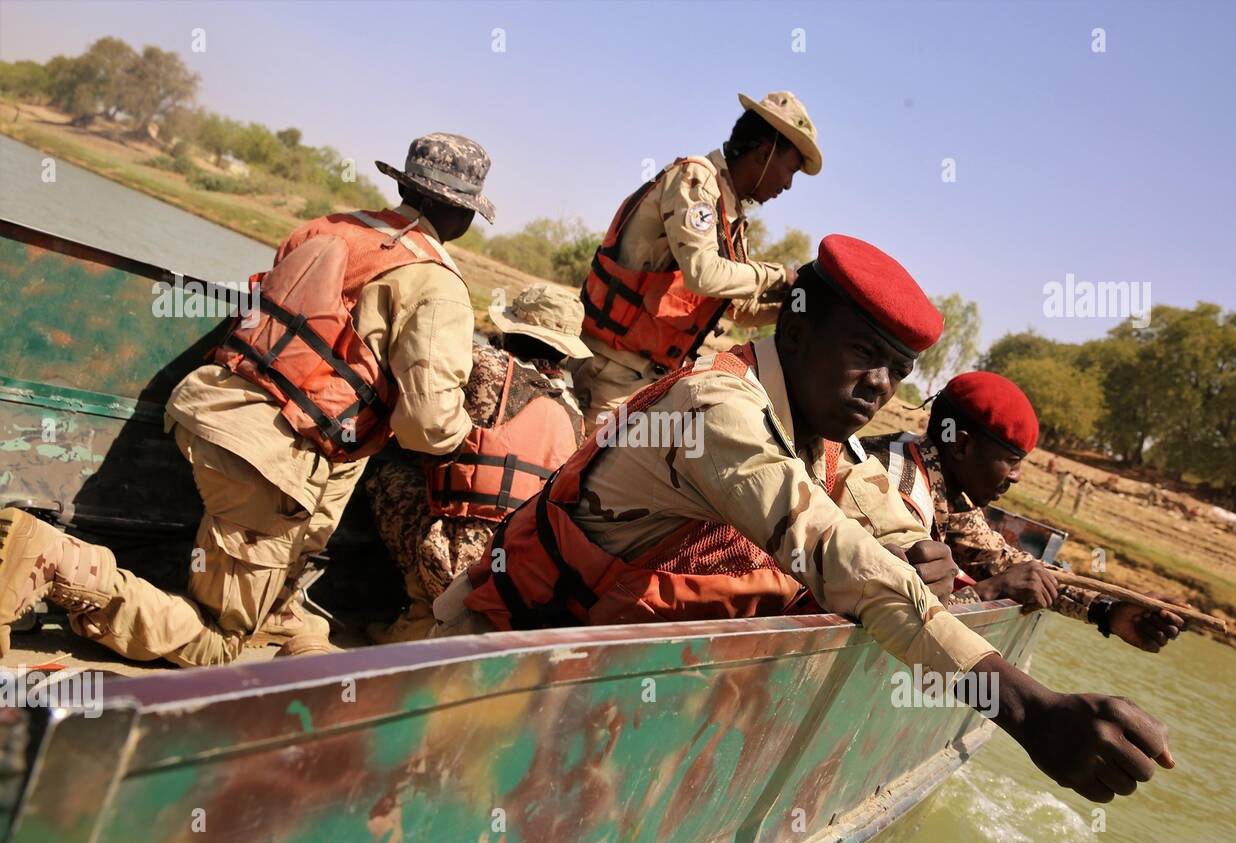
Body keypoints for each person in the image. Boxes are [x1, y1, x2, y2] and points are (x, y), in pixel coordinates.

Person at [432, 235, 1175, 804]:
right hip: (492, 677)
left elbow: (881, 520)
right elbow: (839, 556)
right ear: (796, 324)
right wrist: (1028, 708)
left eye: (896, 370)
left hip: (590, 695)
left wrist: (922, 546)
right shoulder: (717, 412)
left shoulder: (820, 432)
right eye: (861, 352)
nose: (878, 386)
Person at [0, 133, 494, 665]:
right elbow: (426, 423)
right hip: (267, 457)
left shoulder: (331, 228)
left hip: (209, 403)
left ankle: (277, 607)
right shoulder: (437, 284)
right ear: (463, 217)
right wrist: (471, 438)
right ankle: (52, 560)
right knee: (216, 644)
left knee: (297, 524)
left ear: (405, 186)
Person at [853, 371, 1186, 652]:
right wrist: (992, 591)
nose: (1017, 477)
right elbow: (891, 621)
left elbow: (1000, 558)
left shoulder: (938, 474)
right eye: (1011, 462)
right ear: (963, 445)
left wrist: (1108, 610)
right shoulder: (892, 490)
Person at [571, 91, 821, 432]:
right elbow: (703, 274)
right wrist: (778, 277)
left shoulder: (731, 216)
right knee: (580, 476)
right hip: (609, 372)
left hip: (648, 382)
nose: (788, 185)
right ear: (764, 153)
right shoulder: (696, 181)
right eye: (790, 170)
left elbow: (735, 308)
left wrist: (795, 307)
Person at [366, 285, 588, 643]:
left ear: (512, 330)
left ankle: (420, 611)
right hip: (514, 574)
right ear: (565, 352)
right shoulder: (576, 414)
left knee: (387, 472)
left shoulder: (484, 364)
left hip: (453, 560)